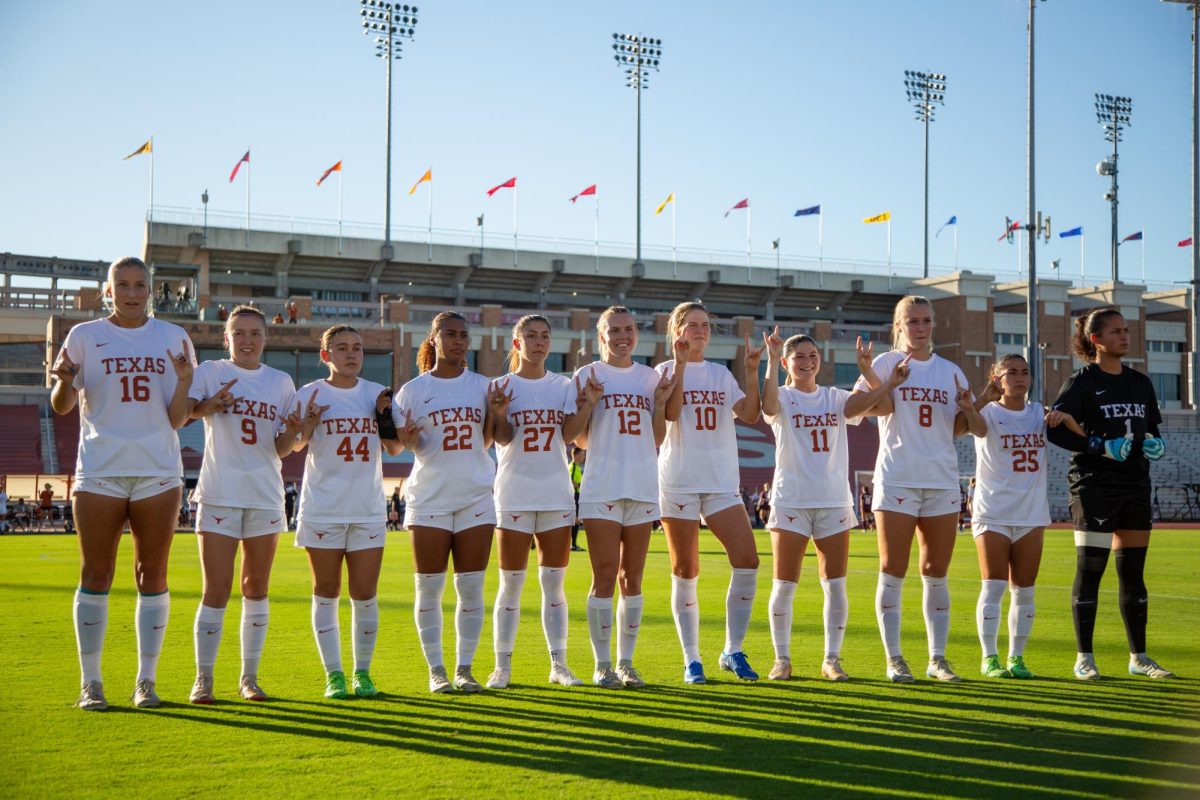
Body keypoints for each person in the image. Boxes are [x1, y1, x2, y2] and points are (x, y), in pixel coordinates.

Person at [50, 255, 195, 711]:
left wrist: (187, 380)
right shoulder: (84, 336)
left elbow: (176, 419)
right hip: (100, 470)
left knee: (151, 574)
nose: (132, 292)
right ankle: (90, 683)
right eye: (123, 284)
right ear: (107, 290)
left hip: (157, 470)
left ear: (150, 289)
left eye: (139, 284)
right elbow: (61, 406)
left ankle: (145, 682)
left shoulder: (174, 337)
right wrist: (63, 383)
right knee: (96, 573)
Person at [762, 331, 909, 681]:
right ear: (786, 363)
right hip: (792, 499)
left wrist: (874, 373)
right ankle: (782, 659)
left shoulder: (834, 397)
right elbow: (767, 408)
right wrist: (768, 358)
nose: (807, 361)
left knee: (835, 585)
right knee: (784, 585)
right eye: (798, 356)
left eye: (812, 355)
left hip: (832, 500)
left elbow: (881, 407)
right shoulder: (781, 396)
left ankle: (832, 658)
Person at [851, 295, 977, 683]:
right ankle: (895, 658)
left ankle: (937, 659)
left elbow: (957, 429)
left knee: (936, 572)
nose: (920, 328)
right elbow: (856, 407)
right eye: (912, 321)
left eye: (926, 321)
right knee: (893, 570)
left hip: (941, 480)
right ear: (899, 324)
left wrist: (971, 408)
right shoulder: (886, 363)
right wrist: (875, 377)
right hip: (898, 477)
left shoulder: (951, 371)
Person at [1047, 306, 1175, 680]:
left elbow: (1151, 427)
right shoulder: (1081, 381)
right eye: (1116, 331)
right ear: (1096, 339)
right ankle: (1084, 657)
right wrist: (1099, 446)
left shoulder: (1140, 383)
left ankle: (1139, 657)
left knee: (1133, 574)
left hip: (1135, 484)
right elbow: (1055, 429)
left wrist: (1155, 443)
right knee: (1091, 571)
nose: (1125, 336)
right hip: (1094, 486)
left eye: (1126, 330)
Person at [186, 304, 302, 704]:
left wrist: (296, 431)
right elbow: (181, 415)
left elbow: (282, 448)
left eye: (255, 333)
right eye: (240, 333)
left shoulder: (281, 382)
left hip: (265, 495)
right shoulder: (211, 372)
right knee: (215, 589)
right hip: (220, 490)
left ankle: (249, 678)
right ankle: (204, 679)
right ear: (227, 338)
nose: (248, 340)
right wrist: (206, 407)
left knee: (256, 587)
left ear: (265, 339)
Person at [656, 301, 764, 684]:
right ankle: (691, 658)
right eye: (691, 325)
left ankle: (733, 649)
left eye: (704, 325)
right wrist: (681, 367)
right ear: (677, 332)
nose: (700, 331)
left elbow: (750, 414)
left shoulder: (721, 374)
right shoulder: (664, 371)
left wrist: (752, 373)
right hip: (680, 479)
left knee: (747, 560)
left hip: (720, 482)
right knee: (686, 569)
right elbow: (670, 413)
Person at [569, 306, 676, 689]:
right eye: (614, 330)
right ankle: (602, 665)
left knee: (633, 576)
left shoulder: (651, 378)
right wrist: (591, 403)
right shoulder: (587, 375)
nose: (622, 336)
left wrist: (661, 403)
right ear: (602, 336)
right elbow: (578, 439)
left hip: (643, 484)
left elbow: (658, 437)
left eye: (629, 329)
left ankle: (627, 663)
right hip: (603, 485)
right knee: (603, 576)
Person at [392, 311, 497, 693]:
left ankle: (465, 668)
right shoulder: (413, 391)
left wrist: (498, 412)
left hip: (475, 496)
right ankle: (436, 670)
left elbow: (489, 439)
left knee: (471, 588)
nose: (457, 341)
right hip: (430, 497)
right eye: (449, 334)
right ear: (433, 339)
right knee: (429, 588)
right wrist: (409, 439)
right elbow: (411, 445)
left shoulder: (485, 386)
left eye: (463, 335)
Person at [484, 314, 587, 690]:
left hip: (556, 493)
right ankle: (502, 666)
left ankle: (558, 664)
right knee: (510, 585)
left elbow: (569, 435)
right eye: (530, 336)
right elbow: (504, 437)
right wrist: (498, 412)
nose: (539, 342)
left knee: (553, 584)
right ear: (517, 343)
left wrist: (587, 406)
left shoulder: (563, 386)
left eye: (544, 336)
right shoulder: (500, 385)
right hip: (513, 492)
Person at [294, 325, 392, 699]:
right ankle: (333, 674)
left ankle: (362, 674)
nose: (351, 354)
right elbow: (295, 444)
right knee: (326, 591)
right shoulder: (310, 394)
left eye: (357, 348)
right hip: (323, 507)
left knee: (365, 594)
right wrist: (307, 424)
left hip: (366, 508)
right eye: (341, 348)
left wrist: (387, 417)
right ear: (326, 355)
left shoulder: (377, 395)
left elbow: (396, 447)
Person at [968, 353, 1071, 680]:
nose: (1019, 378)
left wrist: (1064, 418)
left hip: (1031, 513)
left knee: (1024, 590)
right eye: (1011, 372)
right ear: (996, 378)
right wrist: (969, 404)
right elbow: (974, 427)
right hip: (993, 511)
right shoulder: (987, 411)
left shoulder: (1039, 413)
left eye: (1024, 372)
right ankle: (989, 657)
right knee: (994, 586)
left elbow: (1073, 431)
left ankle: (1017, 657)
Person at [568, 448, 586, 551]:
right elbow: (571, 481)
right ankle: (572, 545)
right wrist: (581, 485)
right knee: (575, 520)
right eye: (582, 454)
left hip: (577, 495)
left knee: (576, 521)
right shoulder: (573, 467)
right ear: (576, 455)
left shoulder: (577, 467)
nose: (583, 457)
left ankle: (573, 544)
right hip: (574, 495)